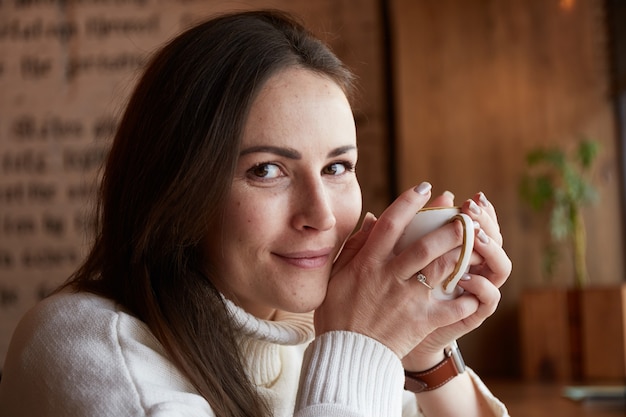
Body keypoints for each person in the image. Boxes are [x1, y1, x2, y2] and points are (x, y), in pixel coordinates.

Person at [0, 9, 512, 417]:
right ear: (177, 187)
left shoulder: (310, 330)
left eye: (337, 167)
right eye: (267, 170)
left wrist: (423, 357)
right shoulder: (84, 345)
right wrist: (361, 345)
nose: (322, 215)